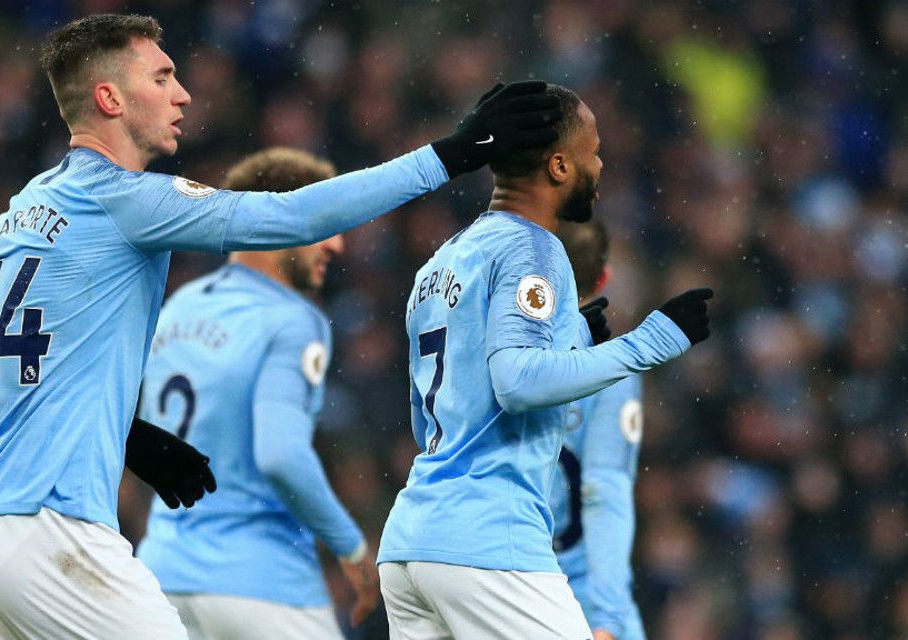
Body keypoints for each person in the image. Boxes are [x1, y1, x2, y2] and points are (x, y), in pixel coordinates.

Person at [0, 12, 565, 639]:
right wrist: (452, 156)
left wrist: (127, 436)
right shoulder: (124, 198)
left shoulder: (27, 206)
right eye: (162, 77)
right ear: (110, 99)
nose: (182, 93)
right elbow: (288, 218)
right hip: (50, 529)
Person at [376, 83, 714, 640]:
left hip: (412, 544)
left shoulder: (442, 262)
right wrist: (653, 339)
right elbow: (516, 381)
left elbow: (429, 415)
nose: (600, 165)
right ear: (559, 165)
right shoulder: (534, 247)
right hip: (489, 543)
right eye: (593, 150)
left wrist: (575, 337)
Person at [134, 147, 378, 639]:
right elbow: (282, 455)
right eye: (322, 223)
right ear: (275, 223)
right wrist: (352, 549)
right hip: (262, 585)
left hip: (159, 577)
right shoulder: (293, 319)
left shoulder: (177, 309)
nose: (336, 245)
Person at [550, 219, 648, 640]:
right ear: (603, 278)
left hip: (496, 585)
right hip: (579, 595)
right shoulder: (613, 370)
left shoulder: (490, 354)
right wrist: (607, 619)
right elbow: (604, 490)